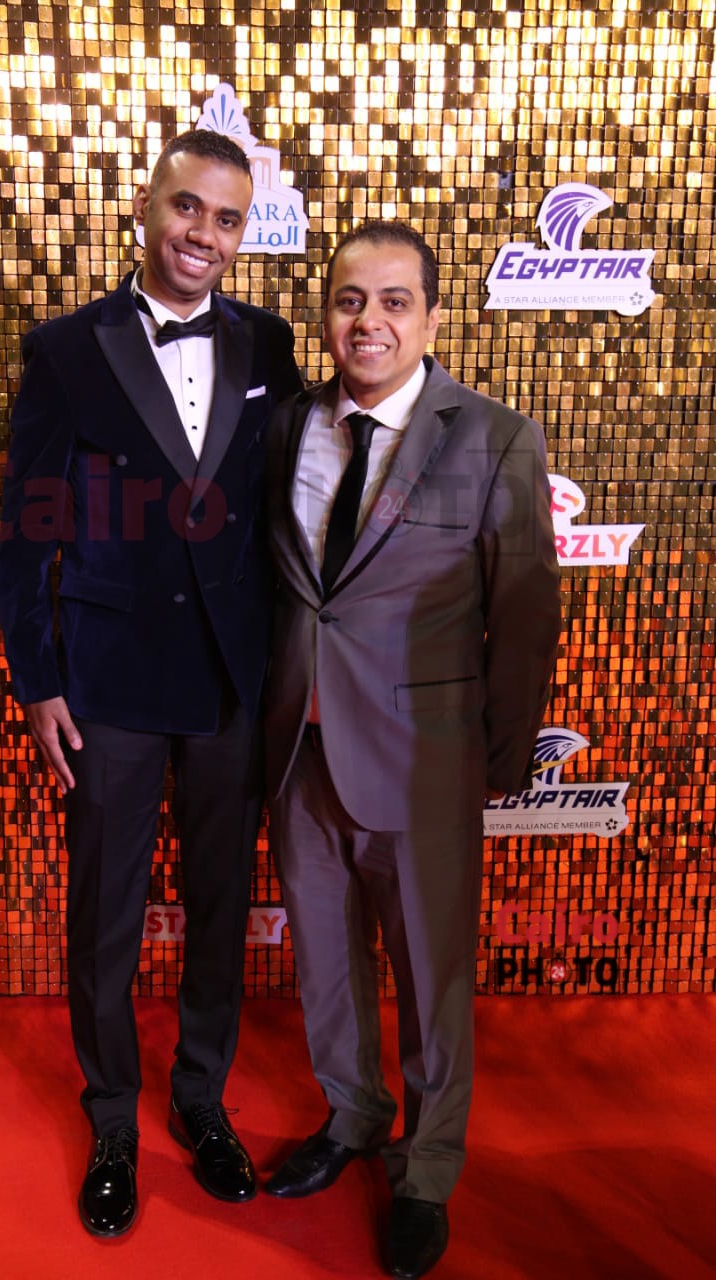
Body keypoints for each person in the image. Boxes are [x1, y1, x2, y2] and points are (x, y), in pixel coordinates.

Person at [0, 128, 302, 1238]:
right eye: (186, 208)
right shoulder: (64, 349)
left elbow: (288, 507)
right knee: (106, 914)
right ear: (143, 207)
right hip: (109, 679)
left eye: (226, 218)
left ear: (242, 232)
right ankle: (114, 1121)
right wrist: (39, 677)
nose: (201, 235)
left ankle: (202, 1101)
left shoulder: (269, 341)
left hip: (229, 678)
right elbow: (28, 525)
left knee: (221, 905)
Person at [262, 221, 561, 1278]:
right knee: (325, 962)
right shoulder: (287, 425)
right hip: (296, 753)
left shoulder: (494, 438)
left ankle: (425, 1169)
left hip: (426, 760)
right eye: (349, 299)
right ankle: (350, 1115)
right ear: (325, 314)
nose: (369, 321)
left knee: (430, 977)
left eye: (394, 301)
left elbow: (523, 613)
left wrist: (503, 754)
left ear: (432, 317)